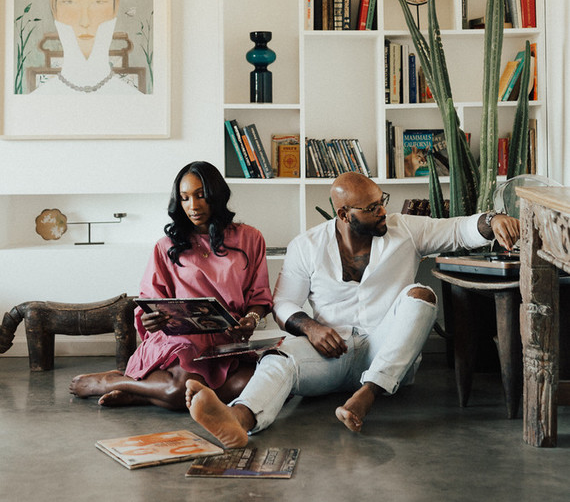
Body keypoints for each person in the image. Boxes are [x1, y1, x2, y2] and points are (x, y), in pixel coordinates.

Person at [185, 171, 520, 446]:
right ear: (344, 214)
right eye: (371, 208)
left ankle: (368, 393)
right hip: (330, 353)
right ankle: (238, 420)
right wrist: (311, 328)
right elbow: (284, 303)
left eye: (381, 202)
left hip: (386, 353)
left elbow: (458, 229)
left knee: (421, 295)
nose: (382, 212)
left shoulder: (405, 230)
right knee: (279, 357)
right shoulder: (307, 245)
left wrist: (493, 220)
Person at [69, 161, 272, 410]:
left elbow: (259, 297)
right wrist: (149, 320)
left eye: (201, 196)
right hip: (181, 342)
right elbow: (149, 304)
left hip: (227, 344)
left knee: (254, 386)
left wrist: (250, 320)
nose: (193, 206)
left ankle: (142, 393)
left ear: (217, 195)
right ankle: (110, 382)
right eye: (185, 198)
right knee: (184, 391)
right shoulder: (166, 246)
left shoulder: (250, 238)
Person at [33, 0, 139, 95]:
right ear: (53, 5)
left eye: (98, 3)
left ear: (116, 4)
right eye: (70, 2)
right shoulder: (35, 103)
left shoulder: (134, 100)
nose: (85, 21)